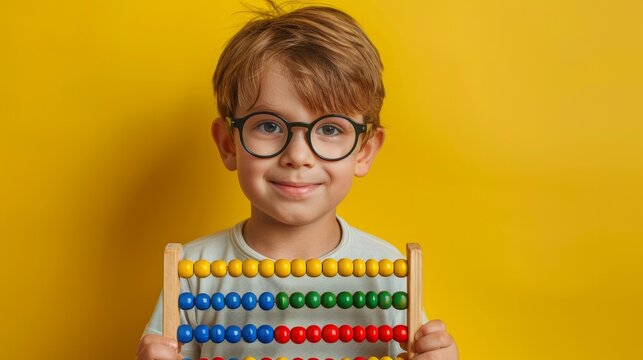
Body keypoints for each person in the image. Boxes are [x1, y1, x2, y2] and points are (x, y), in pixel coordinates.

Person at [136, 2, 458, 360]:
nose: (298, 155)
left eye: (331, 129)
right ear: (229, 144)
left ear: (364, 151)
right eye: (269, 126)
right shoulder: (192, 272)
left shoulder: (389, 273)